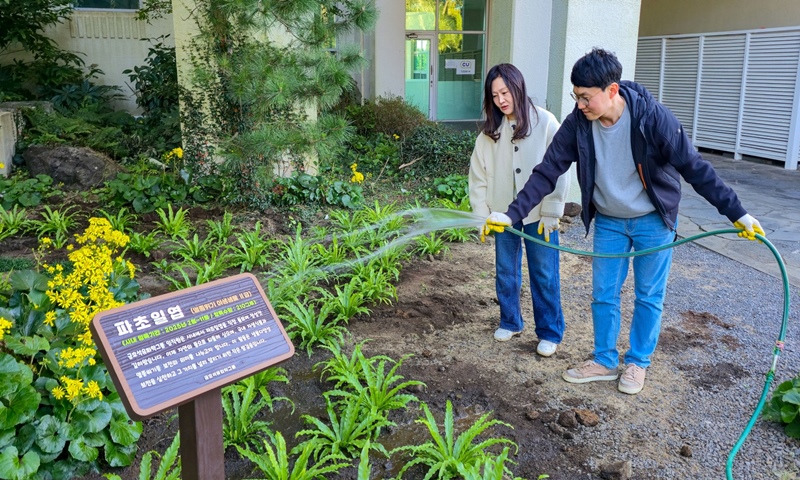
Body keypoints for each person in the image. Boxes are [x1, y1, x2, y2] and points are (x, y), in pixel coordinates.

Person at [485, 48, 764, 394]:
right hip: (610, 221)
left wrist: (738, 214)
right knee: (603, 294)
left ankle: (637, 363)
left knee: (648, 296)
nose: (580, 105)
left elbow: (695, 168)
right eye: (576, 97)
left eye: (586, 98)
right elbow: (547, 171)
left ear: (612, 90)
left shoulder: (652, 118)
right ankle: (604, 360)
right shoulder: (579, 123)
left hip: (652, 220)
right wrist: (511, 214)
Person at [469, 63, 570, 357]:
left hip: (538, 214)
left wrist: (551, 211)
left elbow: (560, 170)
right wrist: (481, 216)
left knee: (544, 272)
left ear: (518, 88)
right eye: (494, 95)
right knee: (505, 270)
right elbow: (477, 178)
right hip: (502, 216)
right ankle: (510, 321)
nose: (501, 100)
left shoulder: (546, 123)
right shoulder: (489, 133)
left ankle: (549, 332)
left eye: (505, 92)